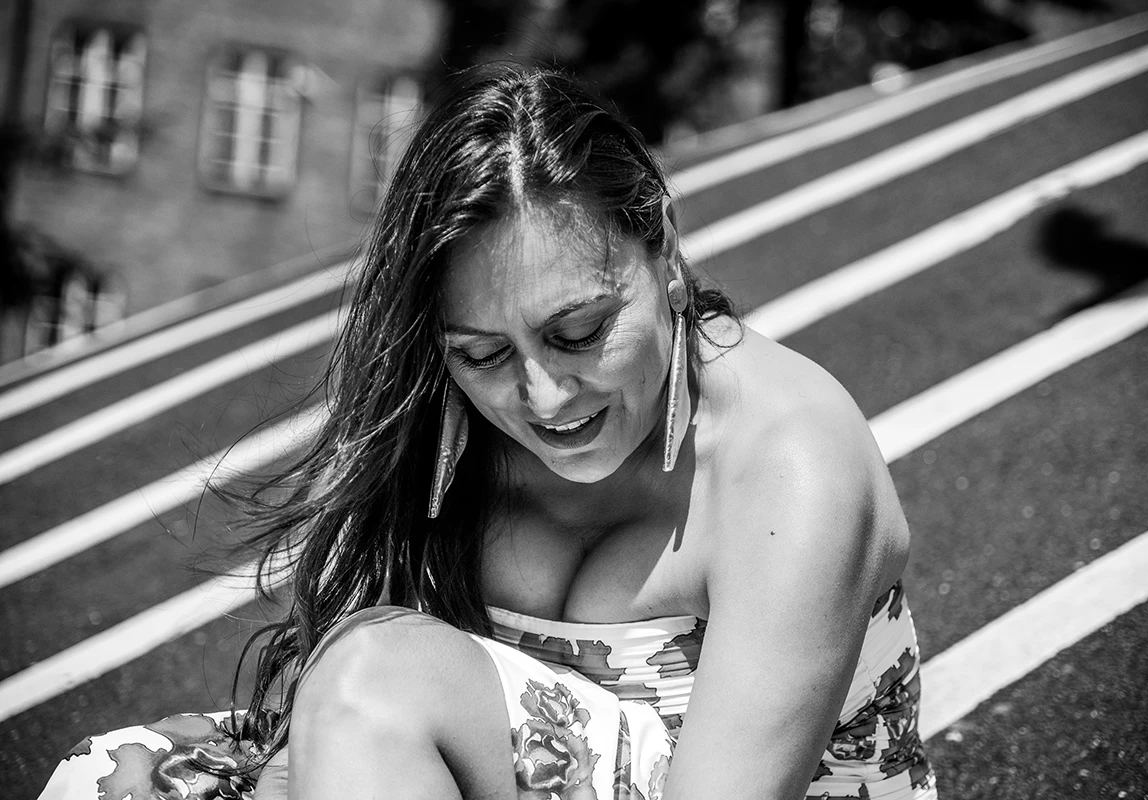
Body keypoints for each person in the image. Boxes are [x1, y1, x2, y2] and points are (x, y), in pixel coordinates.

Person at [39, 62, 936, 799]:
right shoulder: (449, 420)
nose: (543, 398)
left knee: (372, 681)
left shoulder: (794, 465)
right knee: (108, 782)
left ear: (662, 248)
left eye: (578, 332)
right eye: (481, 354)